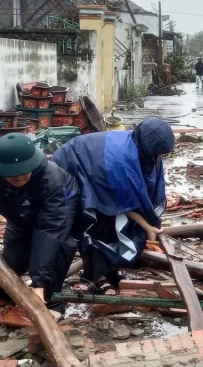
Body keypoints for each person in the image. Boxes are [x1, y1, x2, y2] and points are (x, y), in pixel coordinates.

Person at [52, 118, 174, 295]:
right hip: (72, 165)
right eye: (156, 154)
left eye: (161, 154)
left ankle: (106, 270)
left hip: (96, 165)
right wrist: (147, 227)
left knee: (109, 220)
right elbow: (123, 203)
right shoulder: (122, 161)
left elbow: (143, 191)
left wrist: (151, 224)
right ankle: (95, 276)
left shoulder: (144, 150)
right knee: (91, 220)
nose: (158, 159)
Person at [0, 133, 80, 314]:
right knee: (14, 254)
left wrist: (40, 283)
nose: (18, 177)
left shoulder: (51, 179)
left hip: (60, 202)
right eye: (12, 174)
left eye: (23, 172)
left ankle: (50, 299)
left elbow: (49, 230)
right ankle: (1, 287)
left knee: (60, 245)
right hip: (19, 206)